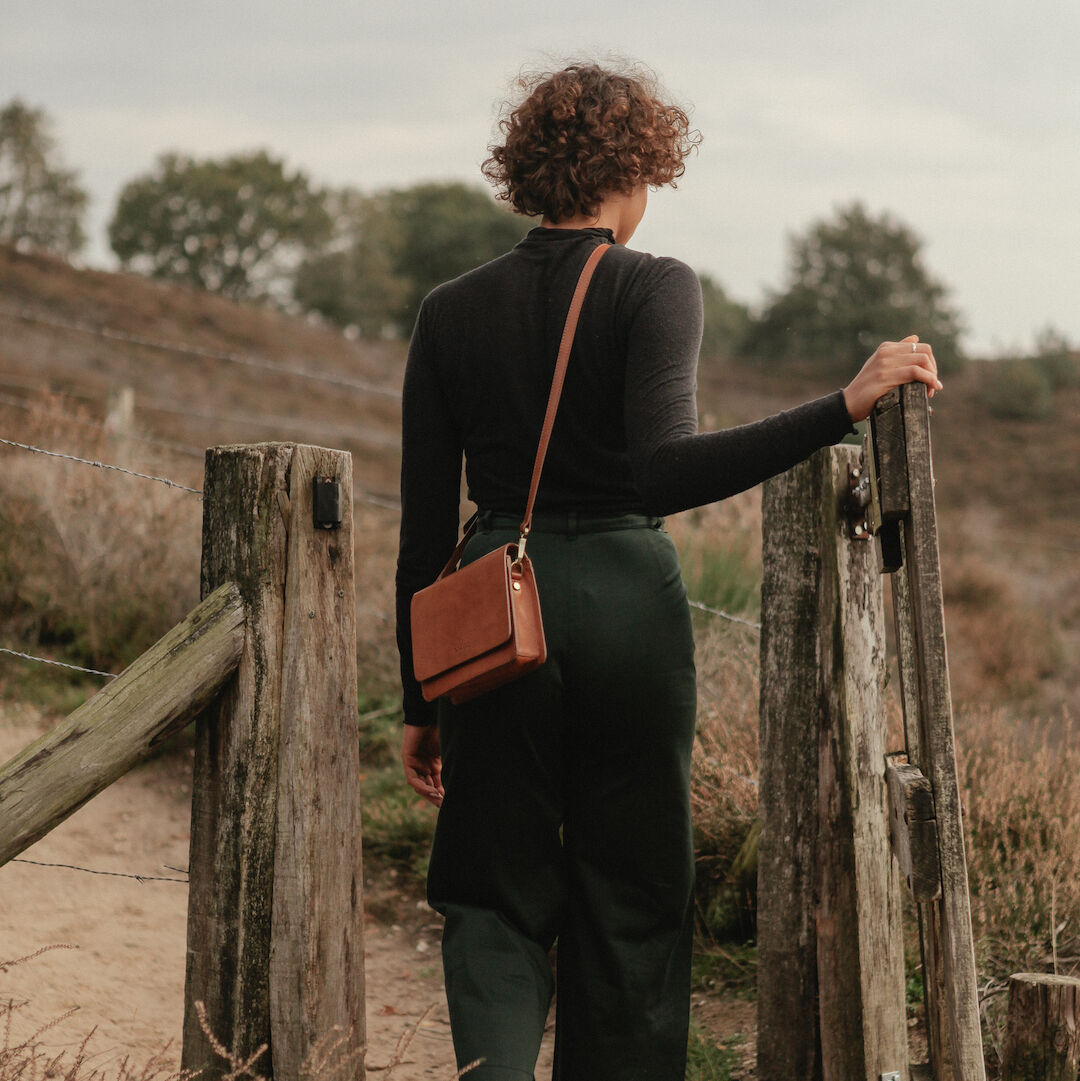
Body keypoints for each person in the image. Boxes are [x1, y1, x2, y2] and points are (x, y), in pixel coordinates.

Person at [395, 61, 941, 1081]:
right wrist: (841, 406)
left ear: (528, 170)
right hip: (626, 605)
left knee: (491, 896)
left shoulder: (449, 309)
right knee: (633, 900)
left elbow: (423, 526)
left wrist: (419, 698)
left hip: (492, 615)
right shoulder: (655, 286)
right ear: (634, 171)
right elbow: (666, 469)